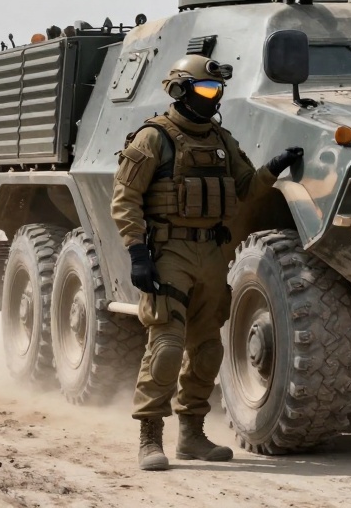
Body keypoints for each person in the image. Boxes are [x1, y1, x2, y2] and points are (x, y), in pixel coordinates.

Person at [111, 55, 303, 471]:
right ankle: (149, 437)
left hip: (212, 254)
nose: (211, 98)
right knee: (166, 346)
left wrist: (274, 167)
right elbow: (125, 200)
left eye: (216, 91)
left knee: (207, 349)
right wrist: (137, 253)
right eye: (203, 90)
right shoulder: (153, 139)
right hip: (169, 251)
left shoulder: (220, 140)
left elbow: (247, 188)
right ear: (179, 91)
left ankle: (192, 436)